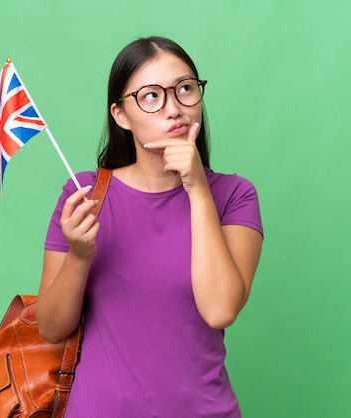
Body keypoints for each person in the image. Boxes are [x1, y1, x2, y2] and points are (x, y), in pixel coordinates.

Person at [36, 36, 263, 417]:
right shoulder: (85, 196)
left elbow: (220, 309)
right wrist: (79, 255)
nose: (174, 108)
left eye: (185, 89)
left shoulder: (234, 195)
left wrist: (197, 190)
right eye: (151, 96)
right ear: (121, 115)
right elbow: (51, 327)